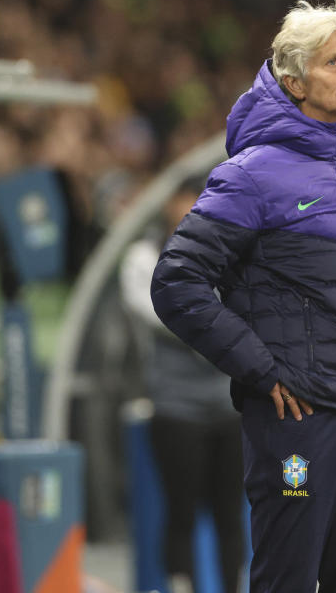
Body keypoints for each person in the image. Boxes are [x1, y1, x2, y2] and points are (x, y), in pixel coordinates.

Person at [151, 0, 336, 593]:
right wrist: (261, 369)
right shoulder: (252, 173)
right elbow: (176, 281)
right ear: (293, 80)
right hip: (298, 416)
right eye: (335, 62)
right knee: (288, 577)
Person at [120, 180, 243, 593]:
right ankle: (181, 586)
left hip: (229, 406)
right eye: (181, 202)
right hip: (175, 408)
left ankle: (233, 586)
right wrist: (212, 320)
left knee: (230, 513)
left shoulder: (234, 253)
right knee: (180, 511)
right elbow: (154, 309)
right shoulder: (143, 256)